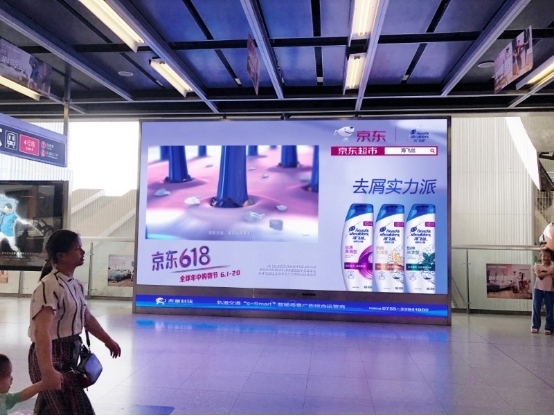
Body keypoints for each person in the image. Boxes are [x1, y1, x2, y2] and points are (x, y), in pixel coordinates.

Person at [28, 229, 121, 414]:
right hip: (51, 355)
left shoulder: (75, 285)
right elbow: (41, 331)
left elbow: (86, 318)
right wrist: (47, 370)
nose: (83, 252)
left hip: (69, 355)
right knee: (67, 406)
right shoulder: (49, 286)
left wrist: (107, 340)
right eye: (78, 248)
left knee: (58, 406)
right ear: (61, 255)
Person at [531, 247, 554, 334]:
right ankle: (535, 326)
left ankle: (549, 327)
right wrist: (549, 273)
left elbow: (541, 274)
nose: (546, 258)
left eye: (548, 256)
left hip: (550, 291)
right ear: (540, 257)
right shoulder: (537, 266)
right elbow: (538, 275)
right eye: (544, 256)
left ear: (551, 257)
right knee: (536, 307)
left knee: (550, 309)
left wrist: (544, 273)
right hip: (538, 289)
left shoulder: (552, 267)